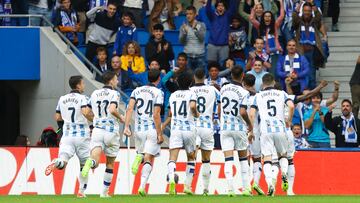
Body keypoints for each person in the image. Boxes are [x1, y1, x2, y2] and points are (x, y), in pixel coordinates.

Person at [44, 75, 92, 198]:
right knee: (85, 165)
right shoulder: (83, 98)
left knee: (63, 163)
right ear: (78, 85)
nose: (84, 85)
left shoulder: (62, 99)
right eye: (83, 83)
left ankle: (56, 161)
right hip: (82, 136)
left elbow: (58, 117)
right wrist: (94, 120)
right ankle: (81, 192)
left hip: (67, 135)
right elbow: (85, 112)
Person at [249, 73, 295, 196]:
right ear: (274, 82)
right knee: (283, 155)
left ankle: (270, 184)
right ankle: (284, 173)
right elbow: (291, 105)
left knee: (268, 158)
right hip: (280, 128)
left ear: (263, 84)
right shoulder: (282, 93)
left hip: (266, 130)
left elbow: (252, 114)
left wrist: (250, 130)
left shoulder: (258, 96)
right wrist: (289, 120)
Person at [81, 71, 125, 198]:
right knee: (110, 163)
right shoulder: (114, 93)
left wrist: (95, 119)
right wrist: (121, 117)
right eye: (116, 79)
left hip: (97, 130)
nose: (117, 81)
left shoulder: (94, 93)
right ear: (111, 80)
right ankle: (104, 193)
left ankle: (90, 162)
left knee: (95, 158)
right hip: (111, 131)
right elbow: (112, 109)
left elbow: (86, 112)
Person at [123, 69, 164, 196]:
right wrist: (160, 133)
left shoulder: (136, 90)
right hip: (151, 129)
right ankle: (141, 186)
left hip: (138, 130)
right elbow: (156, 114)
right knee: (149, 158)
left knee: (142, 153)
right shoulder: (159, 92)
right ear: (158, 79)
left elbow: (129, 108)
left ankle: (139, 155)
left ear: (147, 78)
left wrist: (126, 126)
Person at [162, 71, 200, 195]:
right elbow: (193, 106)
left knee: (173, 157)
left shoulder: (173, 95)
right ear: (190, 82)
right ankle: (187, 186)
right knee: (191, 157)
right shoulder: (192, 93)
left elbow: (170, 113)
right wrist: (196, 114)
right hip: (189, 129)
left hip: (176, 129)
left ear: (178, 82)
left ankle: (172, 178)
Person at [220, 66, 253, 196]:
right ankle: (246, 189)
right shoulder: (244, 92)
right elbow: (243, 111)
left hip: (225, 128)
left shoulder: (223, 88)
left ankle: (230, 189)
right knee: (243, 160)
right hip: (239, 128)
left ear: (231, 74)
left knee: (228, 159)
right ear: (243, 75)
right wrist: (249, 124)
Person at [190, 68, 220, 195]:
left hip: (193, 127)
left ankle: (188, 185)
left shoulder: (189, 90)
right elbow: (219, 106)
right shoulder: (213, 89)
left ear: (194, 77)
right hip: (207, 127)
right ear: (205, 77)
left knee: (191, 158)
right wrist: (216, 117)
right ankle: (206, 189)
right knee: (206, 159)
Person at [293, 2, 326, 89]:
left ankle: (312, 96)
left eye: (309, 11)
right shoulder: (298, 22)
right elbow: (294, 16)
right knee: (301, 74)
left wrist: (313, 4)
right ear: (302, 11)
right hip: (301, 52)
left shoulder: (314, 22)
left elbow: (318, 16)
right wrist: (299, 5)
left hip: (312, 52)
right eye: (305, 10)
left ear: (311, 11)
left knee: (311, 75)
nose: (307, 12)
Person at [242, 73, 265, 195]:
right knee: (257, 158)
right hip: (255, 130)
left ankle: (246, 188)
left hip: (242, 130)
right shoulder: (259, 97)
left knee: (244, 159)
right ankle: (255, 182)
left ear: (243, 82)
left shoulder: (240, 95)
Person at [249, 1, 284, 76]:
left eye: (269, 16)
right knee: (264, 73)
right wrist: (255, 7)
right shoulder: (259, 26)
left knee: (273, 73)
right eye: (265, 16)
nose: (267, 18)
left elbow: (281, 16)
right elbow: (251, 18)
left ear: (271, 18)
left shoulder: (275, 25)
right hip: (264, 54)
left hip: (275, 53)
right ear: (263, 17)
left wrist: (281, 2)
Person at [179, 6, 206, 71]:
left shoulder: (201, 25)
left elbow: (202, 38)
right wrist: (185, 32)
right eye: (187, 14)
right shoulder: (183, 26)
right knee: (188, 79)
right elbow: (181, 42)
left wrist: (195, 29)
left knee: (199, 80)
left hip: (200, 56)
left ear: (195, 14)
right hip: (187, 57)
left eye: (190, 14)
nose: (188, 16)